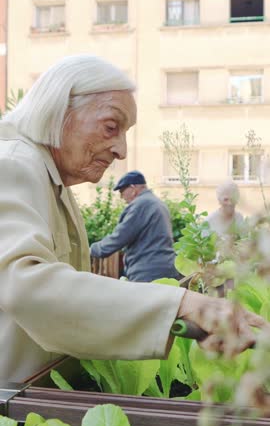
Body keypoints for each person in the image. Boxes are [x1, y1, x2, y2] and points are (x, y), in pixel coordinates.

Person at [0, 55, 266, 383]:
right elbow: (28, 288)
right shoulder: (12, 165)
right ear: (59, 111)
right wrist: (184, 304)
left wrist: (183, 311)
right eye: (112, 127)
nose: (122, 151)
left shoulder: (47, 175)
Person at [90, 170, 181, 282]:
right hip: (167, 269)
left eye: (122, 192)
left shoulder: (141, 205)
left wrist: (92, 249)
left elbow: (120, 237)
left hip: (147, 273)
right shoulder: (158, 204)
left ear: (133, 188)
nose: (122, 197)